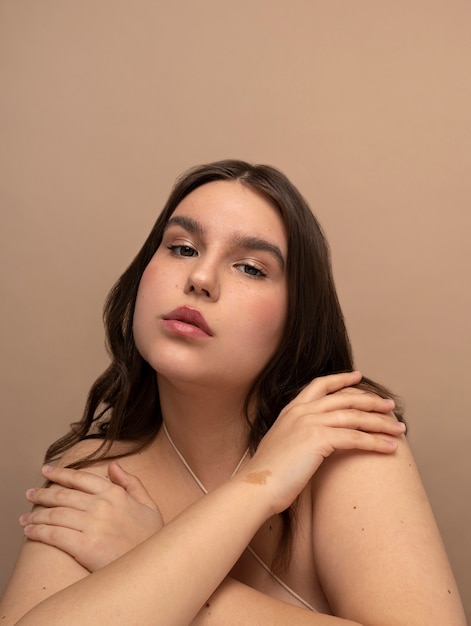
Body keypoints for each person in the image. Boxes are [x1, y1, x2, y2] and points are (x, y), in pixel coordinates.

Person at [0, 160, 465, 625]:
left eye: (250, 267)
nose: (200, 278)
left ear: (296, 321)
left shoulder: (341, 440)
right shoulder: (97, 476)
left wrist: (153, 560)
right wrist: (256, 487)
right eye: (182, 248)